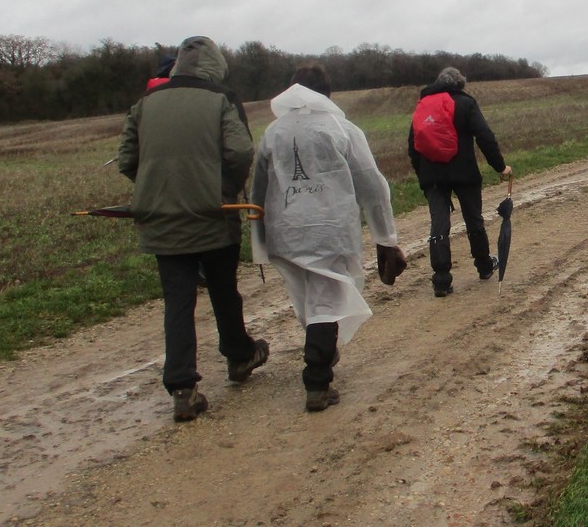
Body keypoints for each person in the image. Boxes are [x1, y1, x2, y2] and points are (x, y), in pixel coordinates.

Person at [117, 35, 268, 422]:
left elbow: (127, 159)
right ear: (216, 67)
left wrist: (155, 188)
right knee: (223, 290)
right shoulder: (220, 99)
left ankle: (182, 386)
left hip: (161, 220)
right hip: (213, 214)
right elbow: (240, 151)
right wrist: (223, 188)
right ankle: (239, 356)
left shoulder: (146, 102)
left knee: (178, 301)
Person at [251, 64, 405, 412]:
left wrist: (259, 238)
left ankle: (322, 349)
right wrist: (385, 237)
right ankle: (317, 378)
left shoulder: (273, 132)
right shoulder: (341, 129)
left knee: (309, 300)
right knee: (323, 304)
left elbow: (258, 189)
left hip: (285, 232)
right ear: (327, 93)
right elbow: (372, 185)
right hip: (329, 231)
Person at [408, 67, 512, 298]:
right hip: (464, 172)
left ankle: (441, 280)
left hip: (432, 176)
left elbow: (413, 146)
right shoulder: (466, 103)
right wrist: (500, 167)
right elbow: (484, 136)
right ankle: (484, 266)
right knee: (473, 219)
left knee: (439, 224)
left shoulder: (424, 105)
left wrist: (423, 176)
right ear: (460, 84)